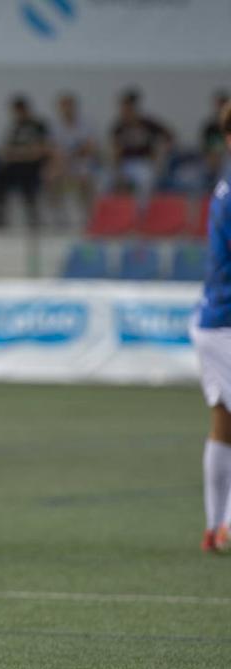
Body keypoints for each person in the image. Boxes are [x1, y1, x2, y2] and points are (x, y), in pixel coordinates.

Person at [193, 101, 231, 554]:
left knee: (223, 423)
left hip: (214, 319)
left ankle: (213, 526)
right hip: (226, 321)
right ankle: (224, 525)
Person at [0, 94, 49, 229]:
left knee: (27, 178)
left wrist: (19, 153)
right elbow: (6, 149)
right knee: (0, 176)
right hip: (15, 164)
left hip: (33, 165)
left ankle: (33, 215)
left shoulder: (38, 125)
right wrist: (19, 153)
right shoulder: (15, 127)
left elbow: (40, 149)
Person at [108, 88, 172, 203]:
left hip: (144, 162)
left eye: (127, 107)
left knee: (146, 179)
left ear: (134, 108)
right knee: (106, 180)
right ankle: (114, 213)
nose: (124, 110)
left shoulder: (147, 123)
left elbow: (169, 137)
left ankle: (141, 212)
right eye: (123, 107)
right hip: (125, 164)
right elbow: (115, 150)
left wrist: (160, 154)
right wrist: (117, 170)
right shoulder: (119, 127)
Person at [46, 92, 98, 228]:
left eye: (69, 106)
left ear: (74, 107)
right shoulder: (55, 126)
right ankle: (57, 214)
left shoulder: (86, 124)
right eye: (64, 106)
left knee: (85, 176)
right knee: (51, 176)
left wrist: (72, 154)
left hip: (82, 163)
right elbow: (52, 149)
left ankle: (88, 215)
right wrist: (62, 160)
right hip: (63, 163)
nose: (67, 109)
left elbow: (90, 148)